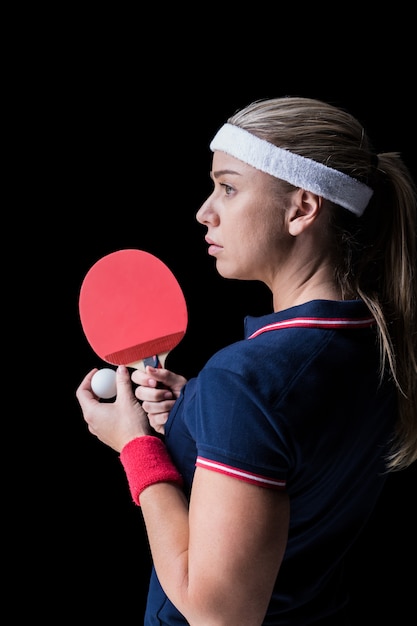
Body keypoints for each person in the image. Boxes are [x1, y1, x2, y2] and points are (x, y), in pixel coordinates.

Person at [76, 96, 417, 625]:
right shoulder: (373, 343)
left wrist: (137, 446)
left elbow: (220, 616)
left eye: (228, 187)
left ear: (302, 208)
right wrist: (195, 415)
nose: (203, 211)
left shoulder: (245, 380)